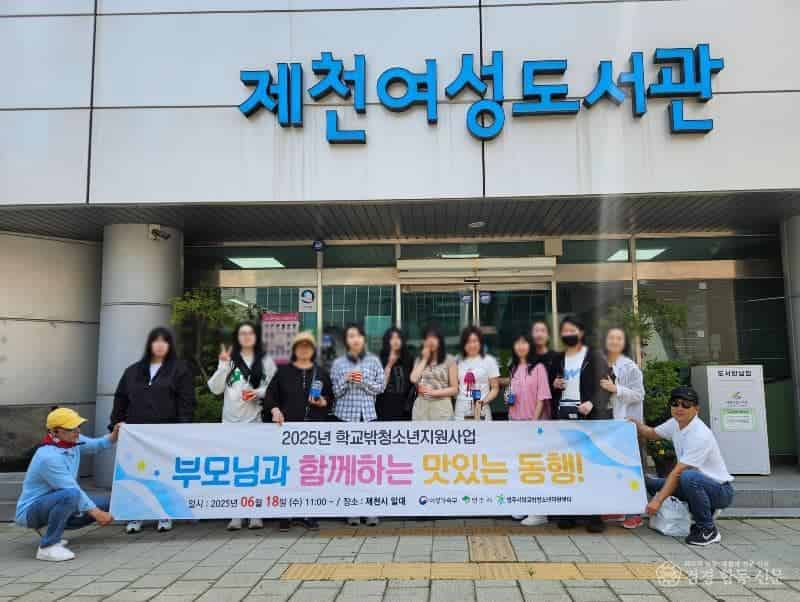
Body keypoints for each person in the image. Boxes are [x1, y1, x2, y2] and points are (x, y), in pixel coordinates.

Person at [110, 326, 196, 534]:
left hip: (165, 432)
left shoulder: (179, 369)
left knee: (163, 474)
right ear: (149, 344)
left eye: (164, 341)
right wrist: (116, 423)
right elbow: (120, 398)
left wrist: (183, 427)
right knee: (136, 474)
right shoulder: (133, 371)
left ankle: (164, 514)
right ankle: (135, 514)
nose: (159, 345)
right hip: (136, 434)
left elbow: (186, 401)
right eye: (155, 340)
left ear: (170, 345)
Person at [630, 386, 734, 546]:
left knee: (687, 476)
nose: (680, 408)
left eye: (686, 404)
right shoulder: (675, 423)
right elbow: (652, 433)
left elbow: (678, 472)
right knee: (648, 483)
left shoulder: (699, 434)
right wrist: (635, 424)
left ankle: (708, 529)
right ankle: (701, 510)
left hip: (719, 491)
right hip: (693, 484)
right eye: (675, 403)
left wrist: (658, 500)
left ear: (696, 409)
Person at [16, 408, 122, 561]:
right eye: (71, 428)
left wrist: (115, 435)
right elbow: (71, 489)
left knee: (110, 501)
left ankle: (48, 529)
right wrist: (97, 514)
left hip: (55, 501)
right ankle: (48, 546)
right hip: (30, 512)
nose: (77, 431)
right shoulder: (48, 457)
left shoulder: (73, 440)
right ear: (55, 432)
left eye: (78, 426)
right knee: (71, 495)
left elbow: (96, 445)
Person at [208, 320, 276, 531]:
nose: (246, 337)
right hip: (230, 423)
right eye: (242, 333)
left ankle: (256, 512)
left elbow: (274, 388)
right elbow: (215, 389)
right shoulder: (229, 360)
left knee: (254, 469)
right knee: (234, 469)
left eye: (250, 333)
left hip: (254, 421)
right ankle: (236, 513)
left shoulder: (265, 360)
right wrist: (222, 367)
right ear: (237, 338)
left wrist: (258, 393)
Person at [265, 331, 333, 532]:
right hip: (288, 431)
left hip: (313, 430)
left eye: (308, 346)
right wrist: (275, 410)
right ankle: (286, 514)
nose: (304, 349)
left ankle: (307, 513)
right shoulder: (283, 372)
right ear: (294, 349)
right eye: (300, 346)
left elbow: (330, 399)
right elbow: (270, 396)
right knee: (288, 471)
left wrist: (322, 402)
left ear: (313, 350)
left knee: (309, 472)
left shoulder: (321, 373)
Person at [551, 316, 611, 533]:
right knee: (567, 466)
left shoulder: (594, 356)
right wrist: (555, 384)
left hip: (588, 418)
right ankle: (569, 513)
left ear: (581, 332)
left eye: (572, 330)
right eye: (565, 331)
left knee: (590, 465)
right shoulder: (558, 358)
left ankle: (594, 516)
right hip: (563, 416)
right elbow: (550, 384)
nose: (568, 334)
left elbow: (608, 385)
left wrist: (592, 403)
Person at [331, 323, 385, 527]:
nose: (355, 339)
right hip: (345, 418)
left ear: (363, 339)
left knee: (369, 466)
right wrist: (346, 379)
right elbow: (335, 392)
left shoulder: (374, 360)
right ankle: (351, 510)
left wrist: (363, 382)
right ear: (346, 341)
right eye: (350, 336)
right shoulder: (338, 363)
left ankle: (370, 509)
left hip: (368, 418)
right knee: (348, 467)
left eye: (358, 336)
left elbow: (380, 387)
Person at [600, 326, 646, 529]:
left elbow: (639, 394)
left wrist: (616, 389)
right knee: (612, 466)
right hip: (608, 423)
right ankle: (618, 509)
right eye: (611, 338)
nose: (614, 341)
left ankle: (635, 513)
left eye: (619, 338)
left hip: (626, 423)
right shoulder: (602, 363)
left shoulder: (630, 367)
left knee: (630, 468)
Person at [506, 333, 552, 527]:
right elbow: (513, 396)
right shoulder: (513, 368)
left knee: (535, 468)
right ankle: (523, 505)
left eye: (524, 342)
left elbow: (542, 396)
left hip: (535, 424)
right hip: (516, 422)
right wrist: (508, 398)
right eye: (517, 342)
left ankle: (539, 512)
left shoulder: (539, 368)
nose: (521, 346)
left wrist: (534, 422)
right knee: (520, 466)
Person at [409, 325, 458, 421]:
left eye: (434, 338)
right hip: (421, 407)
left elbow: (454, 389)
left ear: (440, 341)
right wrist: (425, 359)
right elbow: (413, 379)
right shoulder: (419, 360)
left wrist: (433, 393)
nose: (431, 341)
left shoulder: (449, 359)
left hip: (442, 407)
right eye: (428, 338)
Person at [454, 326, 500, 421]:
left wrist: (482, 402)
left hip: (482, 409)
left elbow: (495, 388)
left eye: (475, 341)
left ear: (480, 342)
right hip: (461, 410)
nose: (472, 345)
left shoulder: (489, 360)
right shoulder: (457, 360)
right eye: (468, 342)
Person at [377, 327, 414, 421]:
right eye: (392, 338)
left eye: (398, 337)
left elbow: (412, 382)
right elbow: (380, 386)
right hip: (385, 405)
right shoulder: (380, 360)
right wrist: (389, 364)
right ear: (387, 341)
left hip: (405, 406)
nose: (395, 341)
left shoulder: (409, 359)